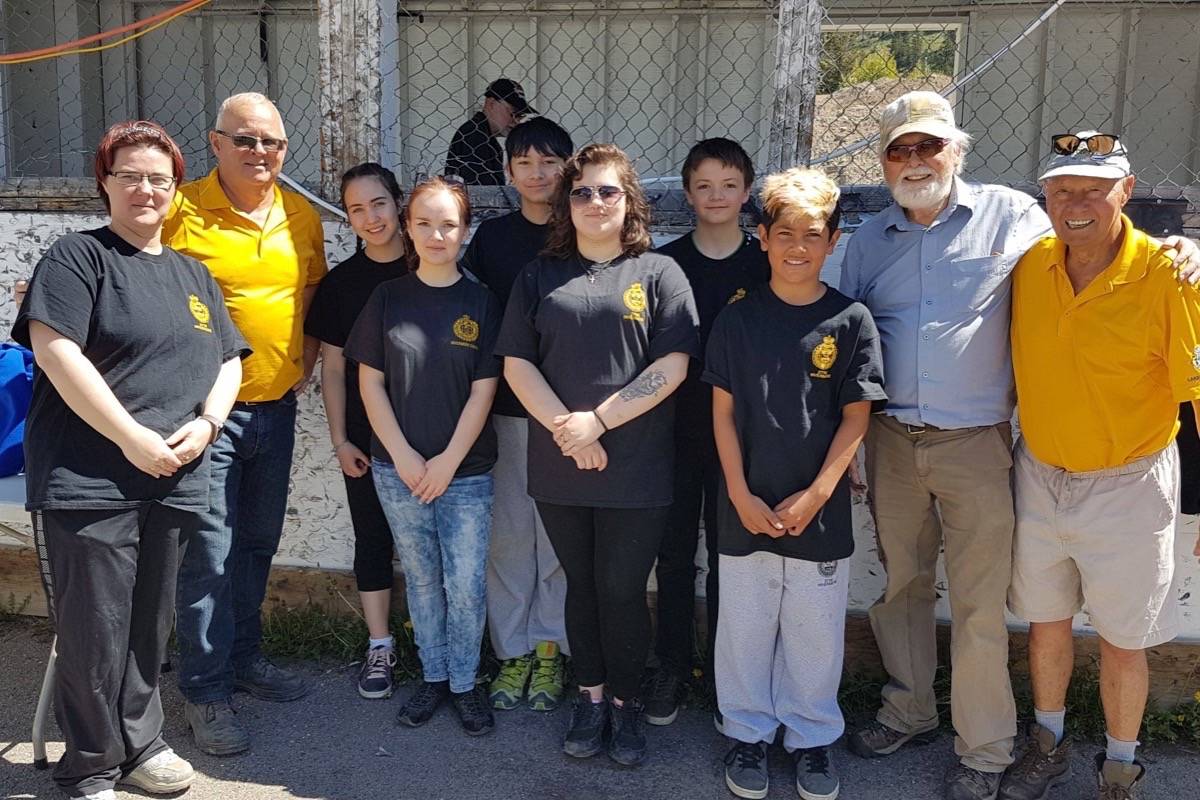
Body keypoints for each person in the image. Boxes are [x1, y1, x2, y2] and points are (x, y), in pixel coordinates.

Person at [839, 91, 1200, 800]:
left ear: (957, 152)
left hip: (981, 444)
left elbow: (1099, 237)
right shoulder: (866, 241)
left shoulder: (1016, 217)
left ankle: (985, 750)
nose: (915, 161)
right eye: (899, 149)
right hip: (890, 440)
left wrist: (1183, 248)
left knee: (978, 602)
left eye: (929, 146)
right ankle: (909, 709)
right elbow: (843, 336)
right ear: (882, 162)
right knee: (904, 587)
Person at [12, 120, 247, 800]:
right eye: (131, 176)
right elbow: (56, 351)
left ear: (176, 192)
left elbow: (229, 359)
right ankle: (90, 763)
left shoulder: (191, 274)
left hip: (172, 474)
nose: (146, 189)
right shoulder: (78, 259)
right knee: (95, 628)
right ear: (105, 184)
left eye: (159, 179)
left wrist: (207, 424)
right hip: (89, 477)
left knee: (149, 623)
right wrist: (128, 437)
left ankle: (141, 743)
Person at [1001, 132, 1200, 800]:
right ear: (1046, 197)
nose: (1076, 202)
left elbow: (1198, 393)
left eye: (1093, 188)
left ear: (1128, 189)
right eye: (1062, 189)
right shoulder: (1031, 265)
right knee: (1046, 625)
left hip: (1129, 485)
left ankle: (1120, 767)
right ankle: (1046, 744)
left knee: (1125, 639)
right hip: (1041, 473)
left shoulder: (1169, 273)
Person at [496, 143, 700, 766]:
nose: (593, 201)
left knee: (620, 589)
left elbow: (674, 365)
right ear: (567, 202)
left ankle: (626, 704)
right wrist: (568, 430)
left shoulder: (660, 274)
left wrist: (599, 422)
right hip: (560, 463)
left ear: (629, 201)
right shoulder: (538, 275)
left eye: (607, 190)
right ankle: (590, 698)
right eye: (581, 191)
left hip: (636, 465)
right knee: (579, 589)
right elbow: (516, 363)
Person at [707, 167, 885, 800]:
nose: (798, 248)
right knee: (746, 626)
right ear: (762, 237)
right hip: (745, 504)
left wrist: (816, 495)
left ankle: (811, 738)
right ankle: (747, 731)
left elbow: (856, 419)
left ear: (834, 240)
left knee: (813, 630)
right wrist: (737, 491)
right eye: (785, 234)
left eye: (813, 235)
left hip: (820, 512)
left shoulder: (851, 321)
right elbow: (722, 413)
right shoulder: (737, 321)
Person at [164, 92, 327, 756]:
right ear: (215, 141)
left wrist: (302, 363)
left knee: (256, 543)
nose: (262, 153)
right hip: (206, 415)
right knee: (208, 555)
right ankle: (204, 691)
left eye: (274, 143)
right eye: (247, 140)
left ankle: (244, 659)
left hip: (276, 408)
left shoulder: (301, 214)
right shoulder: (181, 210)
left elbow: (310, 294)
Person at [344, 177, 502, 736]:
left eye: (450, 224)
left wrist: (446, 463)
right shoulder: (387, 298)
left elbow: (484, 391)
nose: (438, 234)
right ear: (409, 228)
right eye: (426, 223)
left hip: (466, 472)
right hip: (397, 470)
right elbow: (370, 385)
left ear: (465, 231)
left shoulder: (481, 301)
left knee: (464, 582)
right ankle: (433, 677)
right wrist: (405, 457)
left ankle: (465, 682)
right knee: (423, 577)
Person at [647, 137, 769, 726]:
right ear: (687, 193)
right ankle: (670, 666)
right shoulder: (666, 264)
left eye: (728, 185)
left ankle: (728, 676)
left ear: (747, 193)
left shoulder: (767, 263)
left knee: (730, 558)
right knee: (673, 557)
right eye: (704, 185)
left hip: (740, 440)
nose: (716, 196)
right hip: (673, 434)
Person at [460, 117, 575, 712]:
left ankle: (551, 648)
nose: (538, 174)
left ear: (569, 167)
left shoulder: (582, 234)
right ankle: (512, 654)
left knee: (556, 537)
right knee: (508, 537)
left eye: (550, 163)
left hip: (568, 413)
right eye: (525, 163)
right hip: (504, 409)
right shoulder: (493, 239)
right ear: (508, 173)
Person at [305, 163, 407, 699]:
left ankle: (448, 649)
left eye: (379, 203)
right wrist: (341, 440)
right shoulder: (342, 285)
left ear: (399, 203)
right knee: (373, 536)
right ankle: (380, 645)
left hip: (436, 439)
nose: (371, 217)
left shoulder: (431, 265)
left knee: (439, 545)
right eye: (356, 209)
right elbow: (333, 369)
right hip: (367, 441)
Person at [444, 78, 536, 185]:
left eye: (520, 116)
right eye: (513, 113)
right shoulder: (474, 135)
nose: (515, 122)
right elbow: (478, 191)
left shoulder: (485, 135)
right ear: (492, 104)